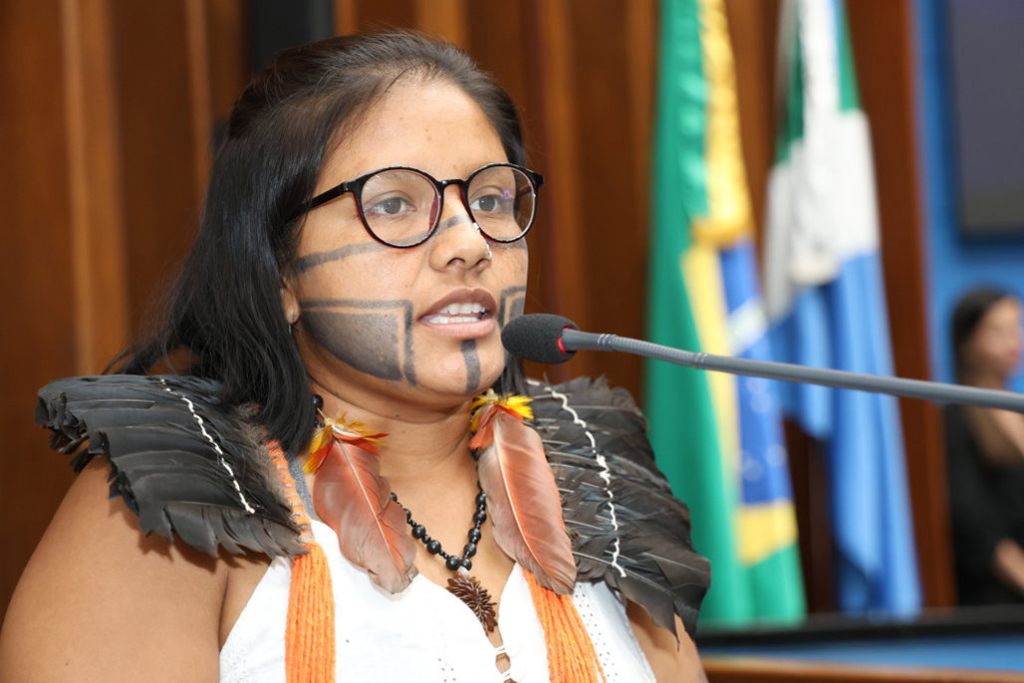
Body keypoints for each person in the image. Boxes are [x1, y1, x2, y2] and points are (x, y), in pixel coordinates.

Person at [0, 32, 709, 682]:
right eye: (395, 204)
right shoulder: (171, 501)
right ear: (281, 273)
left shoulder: (593, 480)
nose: (470, 243)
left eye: (492, 198)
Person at [946, 287, 1024, 606]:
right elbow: (974, 524)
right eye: (998, 331)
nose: (1013, 341)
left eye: (1016, 327)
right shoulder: (954, 421)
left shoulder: (1020, 410)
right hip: (994, 602)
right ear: (967, 342)